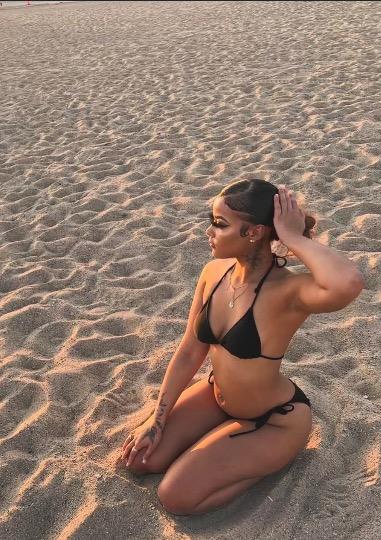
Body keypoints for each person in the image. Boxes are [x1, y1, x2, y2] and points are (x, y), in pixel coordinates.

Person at [121, 179, 364, 515]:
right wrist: (156, 420)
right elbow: (190, 350)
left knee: (175, 496)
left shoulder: (288, 291)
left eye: (220, 224)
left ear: (254, 232)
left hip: (273, 420)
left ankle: (269, 459)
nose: (209, 231)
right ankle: (221, 443)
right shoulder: (213, 272)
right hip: (216, 397)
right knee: (140, 461)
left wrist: (293, 238)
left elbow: (348, 282)